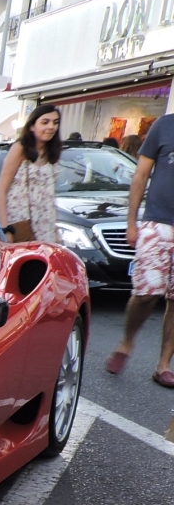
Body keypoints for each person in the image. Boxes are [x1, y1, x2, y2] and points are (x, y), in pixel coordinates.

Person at [104, 111, 174, 387]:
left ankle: (164, 364)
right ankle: (127, 341)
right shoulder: (165, 125)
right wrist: (131, 222)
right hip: (157, 223)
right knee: (146, 294)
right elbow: (141, 175)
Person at [0, 103, 62, 243]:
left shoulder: (51, 151)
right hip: (19, 220)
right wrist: (5, 228)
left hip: (45, 223)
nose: (51, 127)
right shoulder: (20, 148)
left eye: (55, 123)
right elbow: (1, 190)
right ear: (32, 126)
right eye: (45, 122)